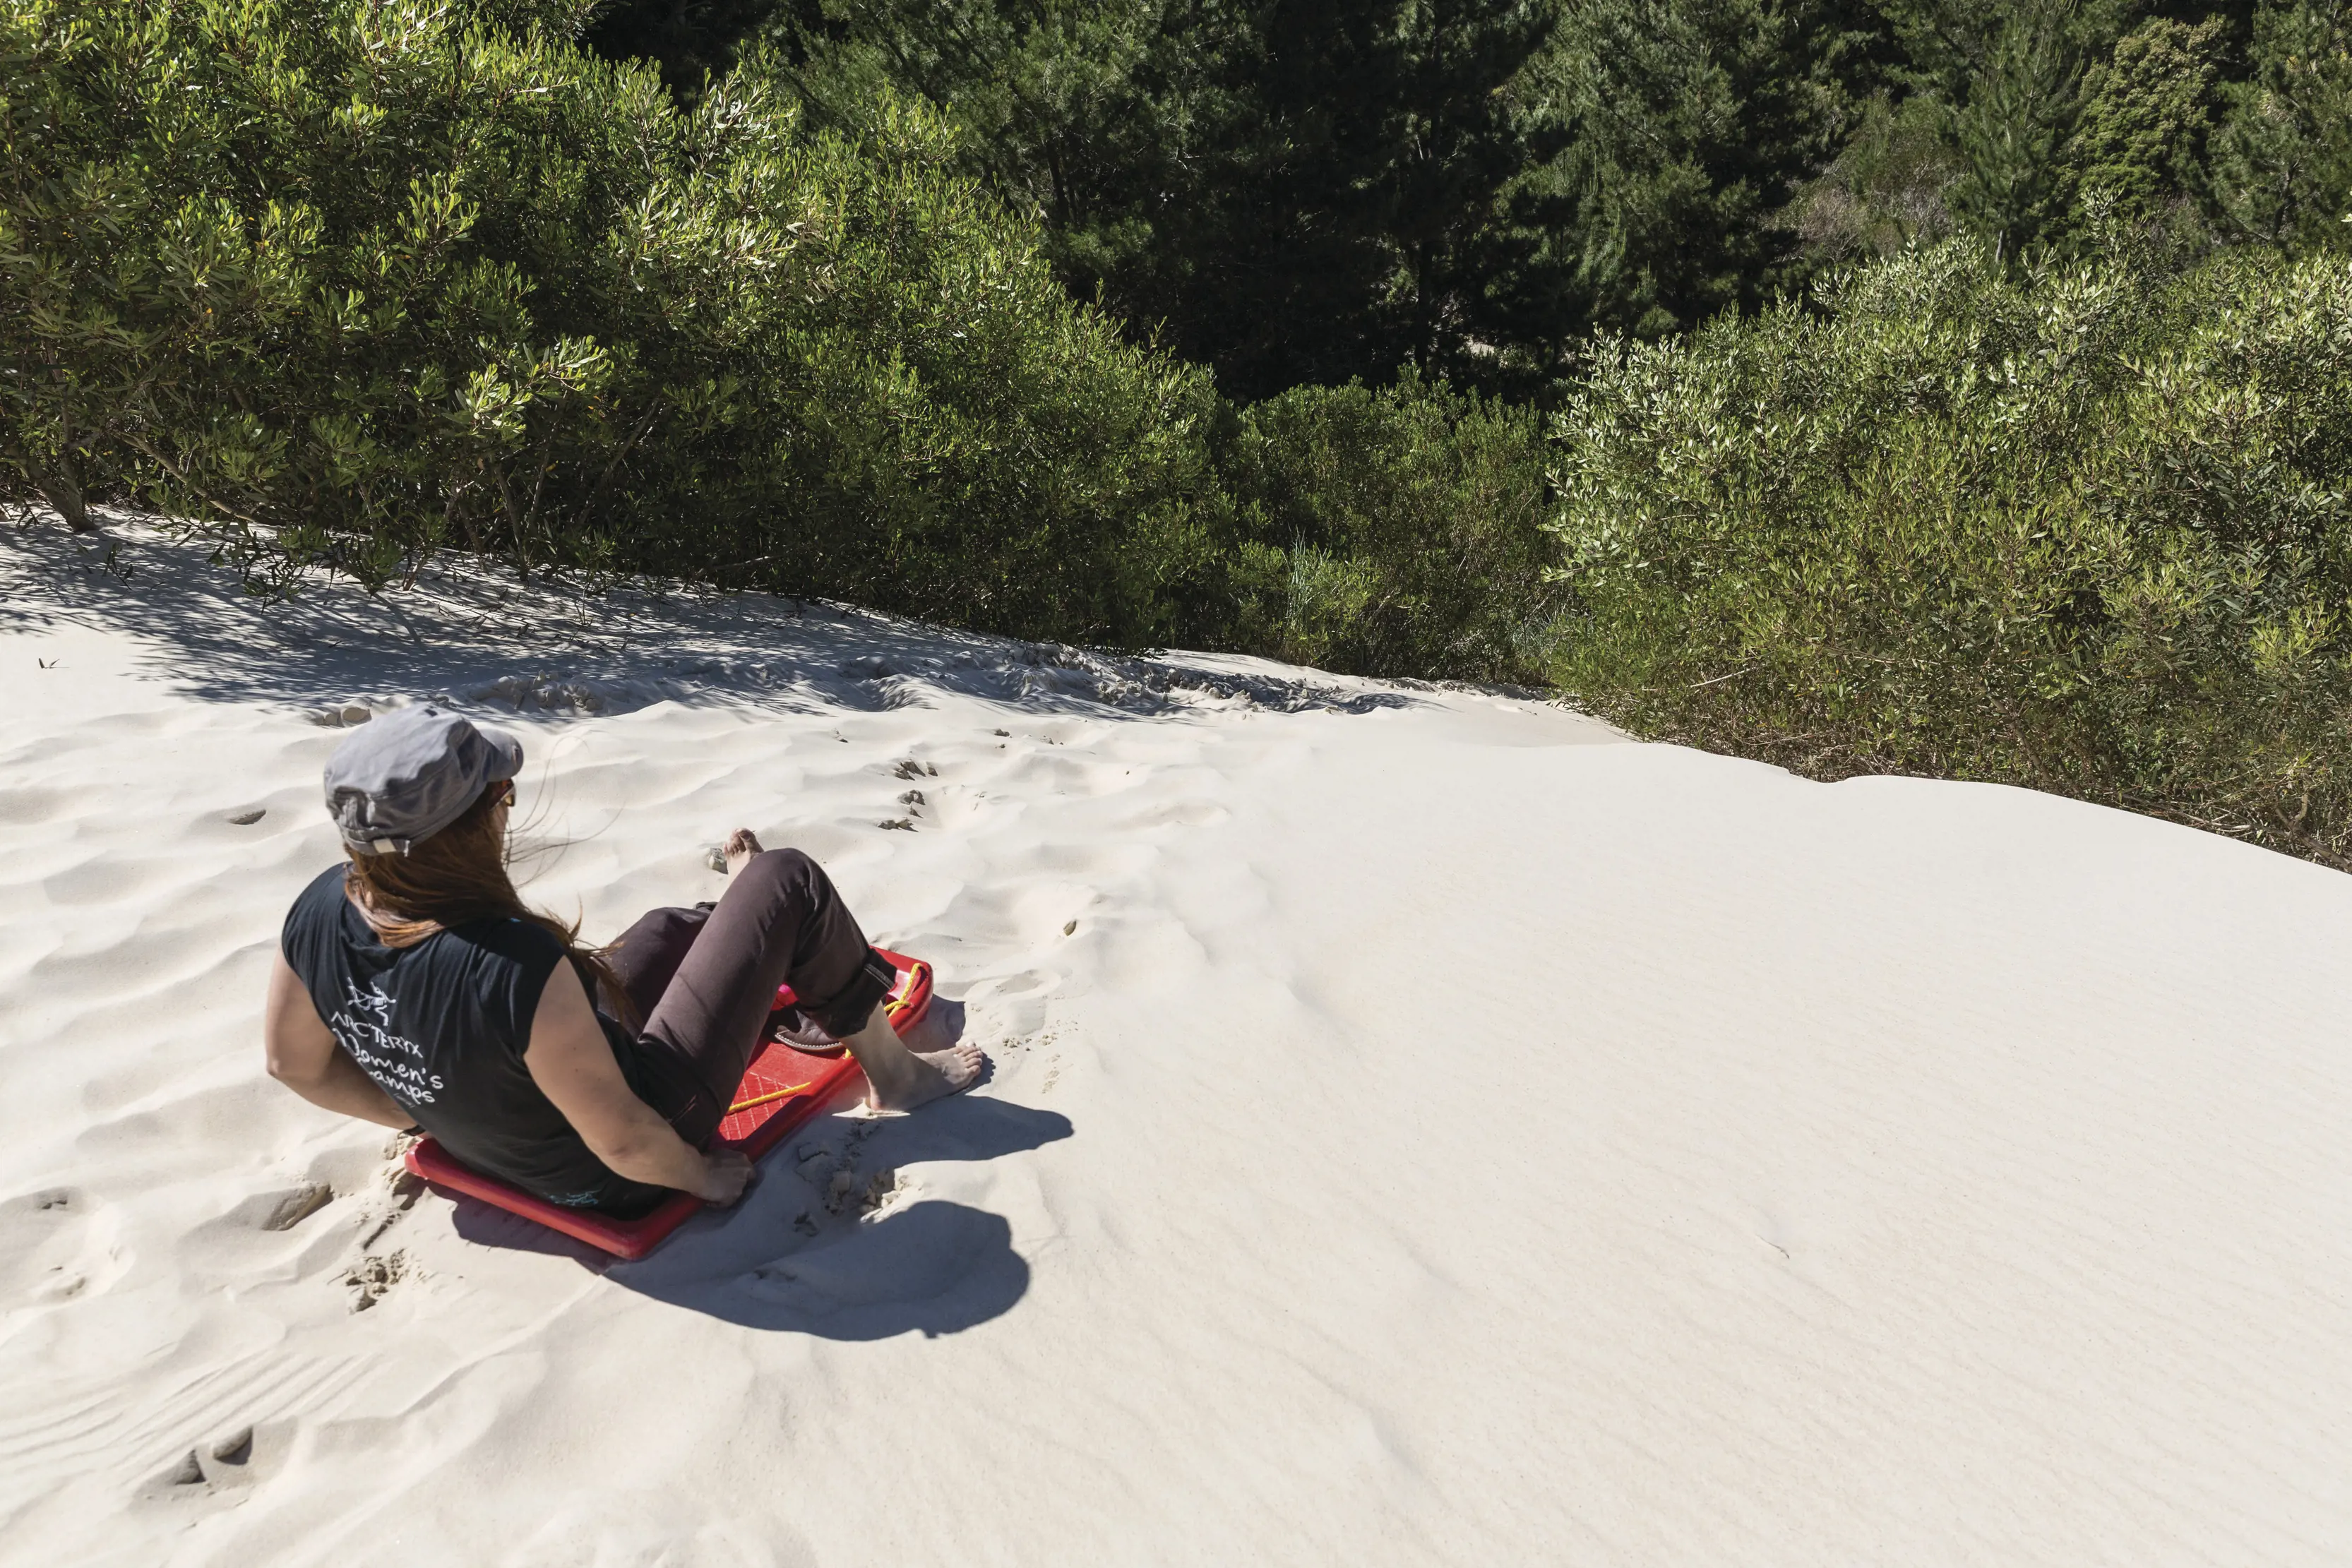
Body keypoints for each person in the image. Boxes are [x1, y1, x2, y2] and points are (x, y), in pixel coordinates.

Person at [263, 704, 982, 1216]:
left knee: (668, 931)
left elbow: (294, 1065)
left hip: (500, 1129)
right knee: (788, 875)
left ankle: (751, 925)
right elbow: (627, 1141)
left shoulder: (319, 907)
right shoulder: (514, 963)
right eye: (500, 795)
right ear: (473, 823)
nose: (507, 808)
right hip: (620, 1166)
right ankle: (899, 1073)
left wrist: (426, 1110)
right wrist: (700, 1176)